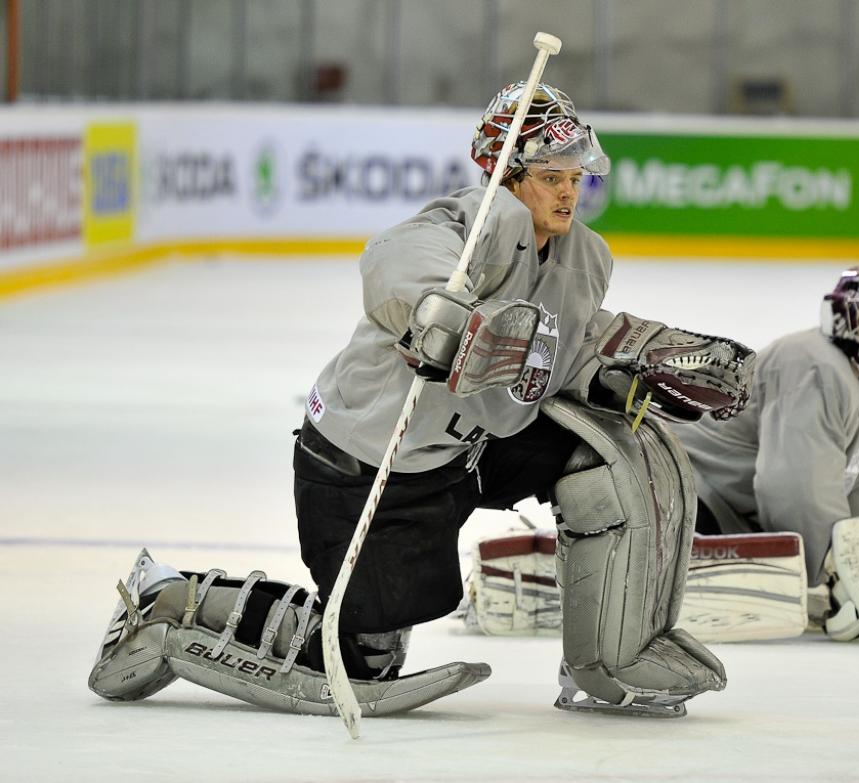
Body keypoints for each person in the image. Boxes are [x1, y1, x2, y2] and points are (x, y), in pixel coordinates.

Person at [88, 82, 755, 719]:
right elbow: (393, 260)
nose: (568, 191)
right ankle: (169, 599)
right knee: (362, 652)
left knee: (600, 454)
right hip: (368, 456)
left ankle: (611, 655)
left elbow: (563, 345)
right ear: (510, 174)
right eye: (552, 175)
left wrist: (627, 360)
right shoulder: (477, 222)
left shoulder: (587, 255)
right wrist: (443, 317)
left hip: (471, 446)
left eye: (575, 176)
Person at [675, 263, 859, 647]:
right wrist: (830, 573)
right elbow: (793, 486)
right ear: (845, 320)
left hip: (741, 513)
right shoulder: (813, 363)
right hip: (687, 486)